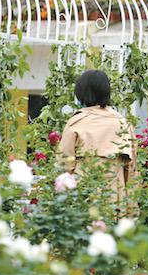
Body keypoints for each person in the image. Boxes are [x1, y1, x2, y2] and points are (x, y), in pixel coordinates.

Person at [57, 69, 138, 212]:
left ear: (81, 92)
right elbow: (131, 171)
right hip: (115, 196)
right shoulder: (123, 123)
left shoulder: (77, 122)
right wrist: (131, 209)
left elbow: (63, 166)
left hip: (83, 194)